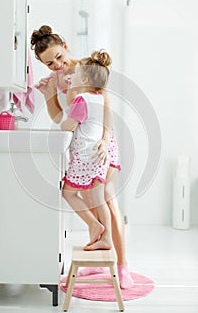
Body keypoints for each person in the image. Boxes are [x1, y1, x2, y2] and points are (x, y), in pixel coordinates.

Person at [31, 25, 134, 288]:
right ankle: (98, 262)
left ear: (65, 46)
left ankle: (122, 268)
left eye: (58, 57)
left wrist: (104, 140)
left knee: (107, 202)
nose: (56, 64)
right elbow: (59, 118)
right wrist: (47, 94)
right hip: (85, 143)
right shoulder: (56, 81)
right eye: (49, 63)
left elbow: (106, 108)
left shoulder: (86, 69)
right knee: (90, 199)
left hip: (101, 143)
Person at [61, 50, 113, 251]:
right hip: (97, 157)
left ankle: (93, 224)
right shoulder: (98, 98)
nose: (70, 76)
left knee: (68, 194)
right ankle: (105, 236)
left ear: (83, 78)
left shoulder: (82, 99)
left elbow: (70, 125)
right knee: (99, 200)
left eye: (74, 74)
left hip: (86, 157)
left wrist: (62, 123)